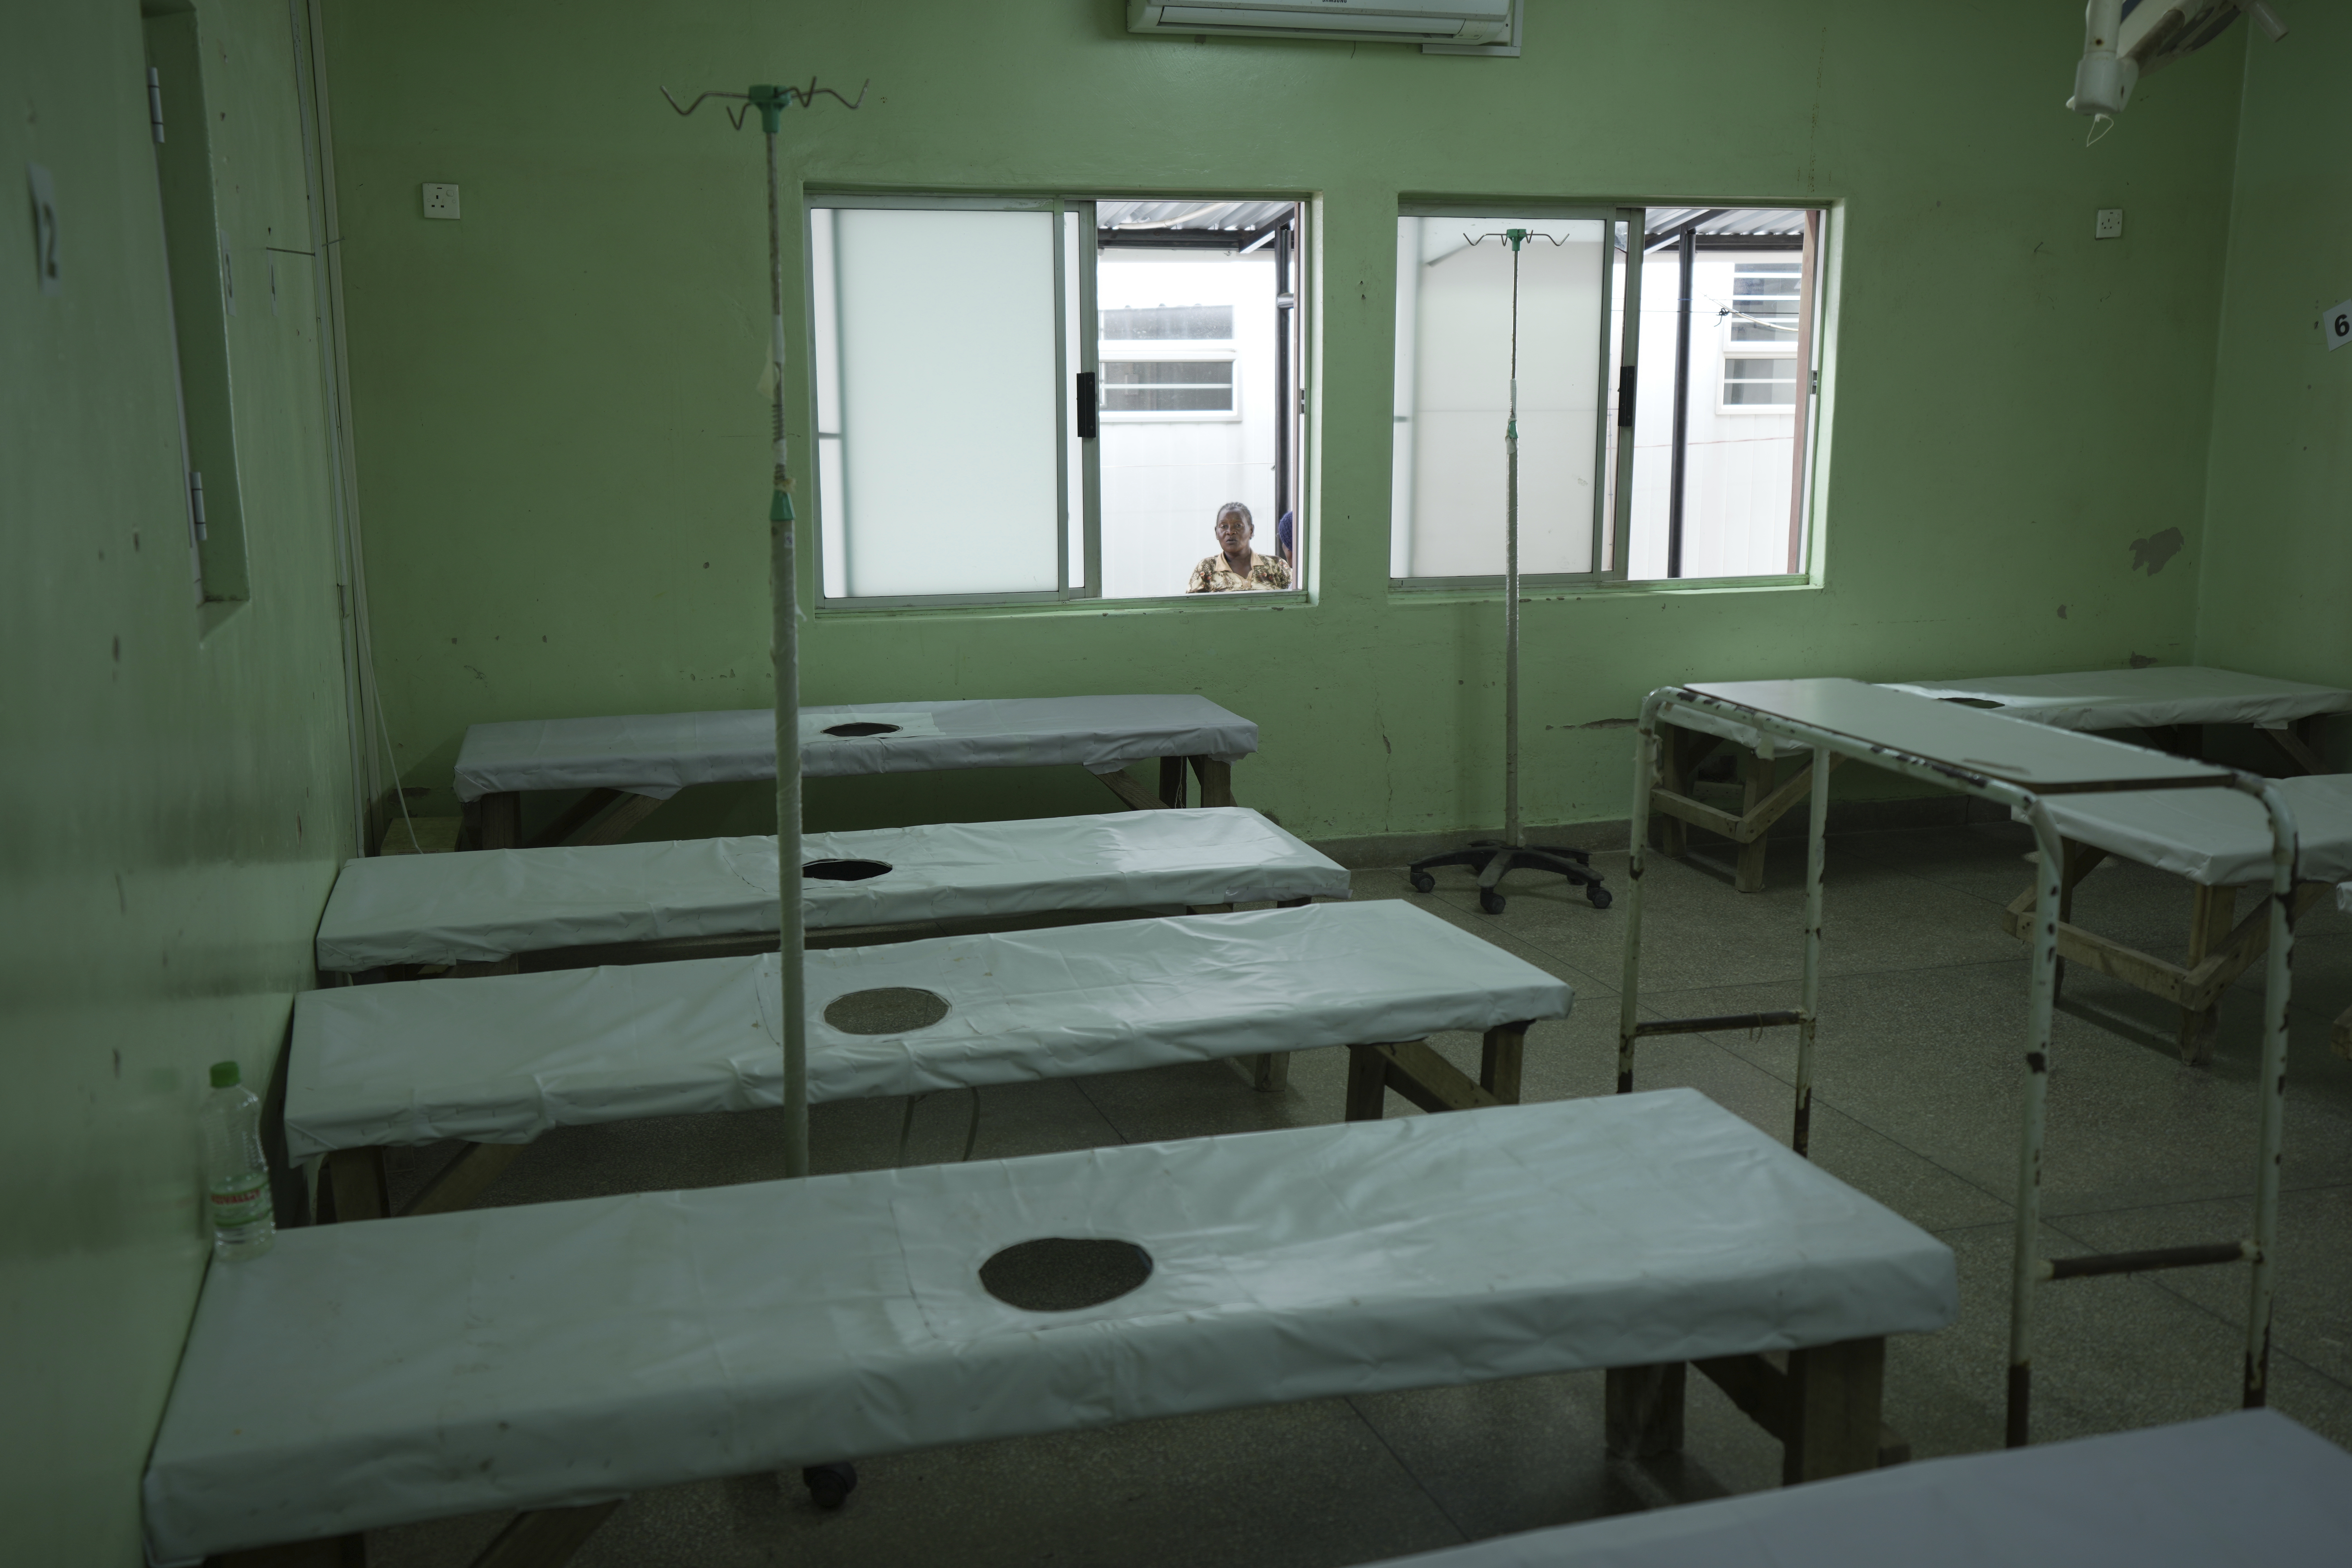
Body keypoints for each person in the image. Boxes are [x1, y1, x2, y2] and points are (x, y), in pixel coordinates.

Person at [1185, 502, 1292, 593]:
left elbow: (1296, 604)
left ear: (1251, 531)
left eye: (1238, 526)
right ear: (1217, 533)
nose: (1230, 532)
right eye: (1224, 527)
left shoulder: (1276, 566)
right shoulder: (1206, 569)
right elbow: (1191, 611)